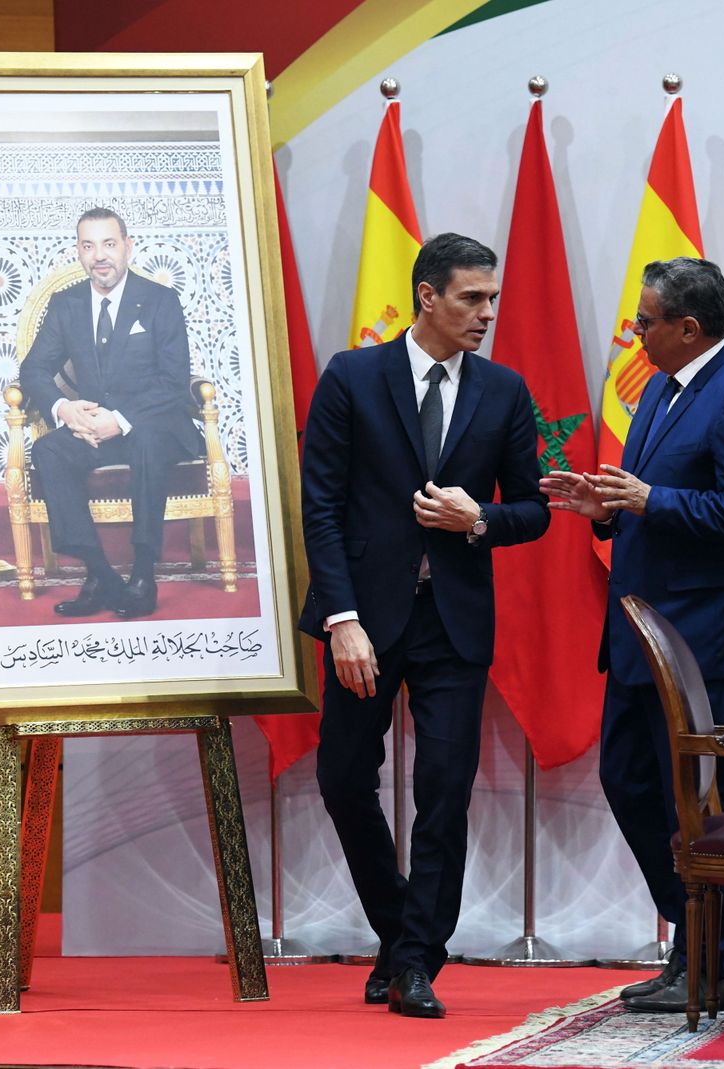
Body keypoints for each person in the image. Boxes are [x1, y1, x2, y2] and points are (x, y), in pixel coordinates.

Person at [299, 233, 550, 1019]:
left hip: (453, 623)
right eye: (472, 298)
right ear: (427, 297)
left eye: (492, 298)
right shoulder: (352, 376)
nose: (487, 313)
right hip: (362, 619)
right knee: (343, 777)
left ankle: (414, 962)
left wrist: (481, 519)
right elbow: (321, 507)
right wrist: (342, 618)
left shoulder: (503, 390)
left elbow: (534, 509)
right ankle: (398, 926)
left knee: (443, 791)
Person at [542, 256, 724, 1013]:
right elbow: (650, 498)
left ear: (689, 326)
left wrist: (653, 499)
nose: (635, 332)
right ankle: (704, 932)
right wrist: (608, 507)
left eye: (646, 321)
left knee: (692, 797)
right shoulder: (660, 384)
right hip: (645, 624)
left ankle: (702, 958)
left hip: (703, 631)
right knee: (628, 778)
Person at [20, 206, 202, 620]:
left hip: (156, 425)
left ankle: (142, 573)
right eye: (89, 246)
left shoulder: (160, 300)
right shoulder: (66, 304)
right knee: (49, 450)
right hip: (93, 430)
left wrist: (118, 420)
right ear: (79, 252)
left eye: (108, 244)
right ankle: (100, 572)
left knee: (146, 441)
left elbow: (174, 381)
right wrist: (65, 409)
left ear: (127, 247)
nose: (99, 256)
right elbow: (33, 370)